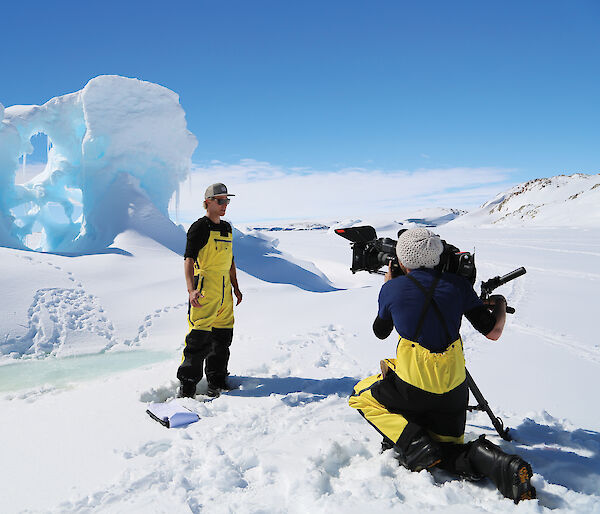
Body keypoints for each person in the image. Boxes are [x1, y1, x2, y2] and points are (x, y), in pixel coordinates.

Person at [349, 228, 536, 503]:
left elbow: (380, 331)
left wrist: (389, 286)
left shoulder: (393, 288)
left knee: (361, 396)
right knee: (450, 451)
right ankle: (500, 464)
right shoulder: (459, 286)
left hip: (412, 388)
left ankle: (414, 442)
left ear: (401, 260)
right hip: (453, 391)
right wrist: (500, 304)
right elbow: (492, 332)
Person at [177, 183, 243, 398]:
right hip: (205, 289)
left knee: (222, 340)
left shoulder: (227, 228)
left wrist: (236, 287)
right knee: (198, 340)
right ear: (207, 203)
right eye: (220, 200)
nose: (225, 205)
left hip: (224, 291)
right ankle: (187, 388)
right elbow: (188, 260)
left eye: (227, 200)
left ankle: (217, 381)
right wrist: (191, 290)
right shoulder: (199, 227)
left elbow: (230, 261)